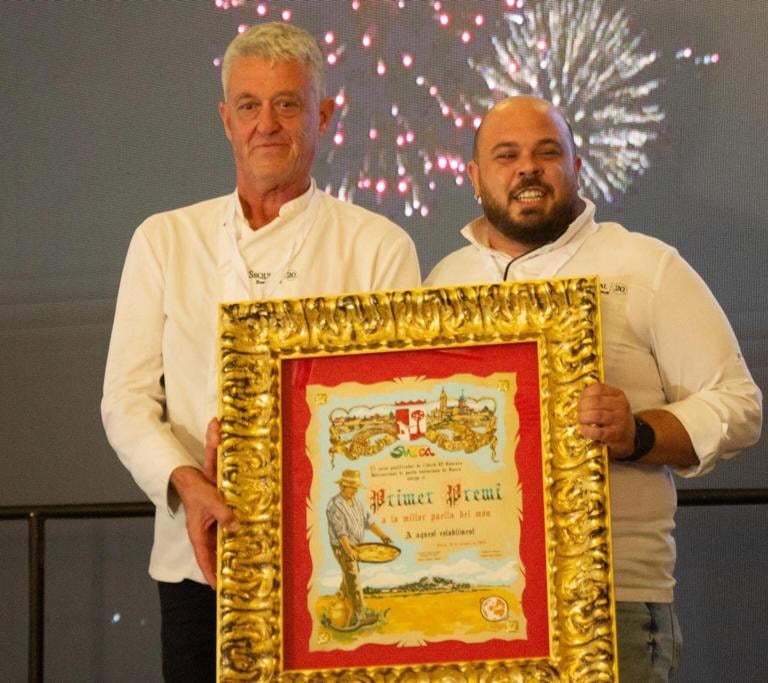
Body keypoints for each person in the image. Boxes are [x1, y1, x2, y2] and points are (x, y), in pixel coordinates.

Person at [101, 22, 420, 682]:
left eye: (287, 103)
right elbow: (126, 402)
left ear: (324, 115)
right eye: (249, 105)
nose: (266, 124)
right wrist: (189, 484)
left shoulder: (380, 247)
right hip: (201, 563)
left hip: (337, 566)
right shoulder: (164, 239)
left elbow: (394, 412)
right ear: (225, 119)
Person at [424, 95, 762, 682]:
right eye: (507, 156)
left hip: (615, 601)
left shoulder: (646, 266)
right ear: (475, 178)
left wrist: (637, 433)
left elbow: (739, 406)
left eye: (547, 152)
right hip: (464, 600)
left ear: (577, 165)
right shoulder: (442, 281)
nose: (527, 168)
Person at [326, 469, 392, 629]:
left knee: (350, 576)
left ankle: (340, 604)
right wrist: (349, 551)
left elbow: (369, 522)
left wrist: (383, 536)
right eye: (352, 487)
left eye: (356, 487)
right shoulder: (335, 505)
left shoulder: (357, 503)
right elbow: (340, 533)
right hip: (342, 547)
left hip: (357, 546)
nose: (355, 490)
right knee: (353, 577)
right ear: (342, 486)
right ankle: (360, 615)